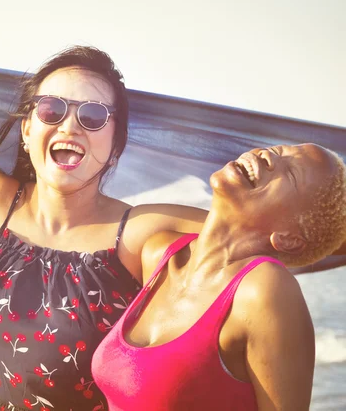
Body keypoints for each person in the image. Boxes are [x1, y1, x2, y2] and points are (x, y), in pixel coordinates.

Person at [0, 47, 346, 410]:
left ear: (115, 147)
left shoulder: (138, 233)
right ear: (27, 129)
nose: (69, 125)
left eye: (93, 116)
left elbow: (243, 234)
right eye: (51, 110)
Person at [92, 143, 346, 411]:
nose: (268, 155)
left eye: (291, 173)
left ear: (288, 239)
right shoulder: (158, 254)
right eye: (278, 149)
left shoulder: (264, 290)